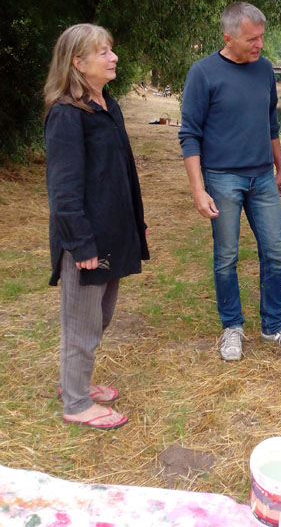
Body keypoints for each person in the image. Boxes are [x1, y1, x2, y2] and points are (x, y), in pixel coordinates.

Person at [179, 2, 281, 361]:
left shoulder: (264, 69)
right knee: (226, 256)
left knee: (275, 252)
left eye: (261, 37)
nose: (259, 45)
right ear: (228, 38)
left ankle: (274, 325)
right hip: (222, 179)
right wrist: (198, 189)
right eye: (252, 39)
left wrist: (280, 168)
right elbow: (189, 135)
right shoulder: (203, 73)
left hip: (263, 178)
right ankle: (232, 327)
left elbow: (271, 124)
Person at [44, 23, 149, 429]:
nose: (113, 57)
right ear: (77, 62)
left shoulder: (107, 106)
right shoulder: (67, 115)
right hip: (86, 242)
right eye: (103, 52)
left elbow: (124, 173)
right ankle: (75, 403)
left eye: (111, 49)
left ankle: (76, 383)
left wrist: (137, 223)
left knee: (100, 316)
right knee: (81, 323)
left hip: (113, 233)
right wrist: (81, 245)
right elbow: (64, 191)